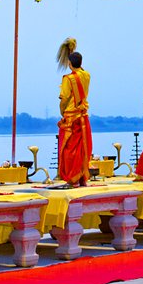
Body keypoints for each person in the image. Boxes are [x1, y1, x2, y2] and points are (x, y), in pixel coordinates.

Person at [58, 52, 93, 186]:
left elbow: (65, 98)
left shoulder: (68, 78)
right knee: (82, 149)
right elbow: (81, 71)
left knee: (69, 150)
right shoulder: (86, 75)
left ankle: (72, 177)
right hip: (83, 116)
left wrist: (61, 110)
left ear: (69, 63)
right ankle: (81, 177)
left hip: (72, 116)